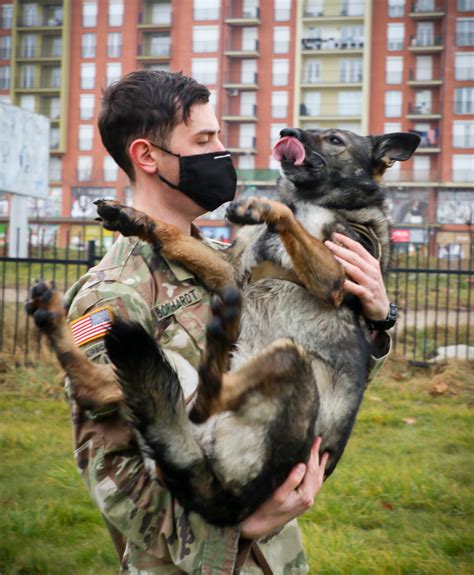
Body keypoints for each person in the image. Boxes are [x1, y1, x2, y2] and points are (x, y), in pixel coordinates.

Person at [64, 70, 392, 574]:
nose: (224, 151)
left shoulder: (235, 257)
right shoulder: (111, 295)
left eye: (218, 135)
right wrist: (237, 528)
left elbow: (323, 372)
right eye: (205, 139)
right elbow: (109, 470)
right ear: (147, 157)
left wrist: (375, 319)